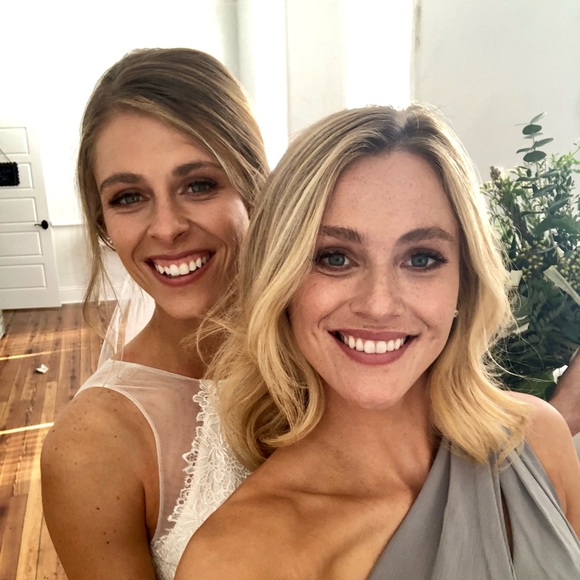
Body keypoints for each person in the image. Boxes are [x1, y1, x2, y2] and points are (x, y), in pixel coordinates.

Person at [176, 104, 580, 579]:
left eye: (422, 259)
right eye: (335, 257)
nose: (380, 304)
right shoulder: (236, 557)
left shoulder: (538, 436)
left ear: (465, 283)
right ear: (279, 282)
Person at [40, 47, 268, 580]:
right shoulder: (92, 446)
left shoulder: (335, 353)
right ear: (103, 224)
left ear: (255, 186)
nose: (166, 228)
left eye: (199, 184)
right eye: (128, 197)